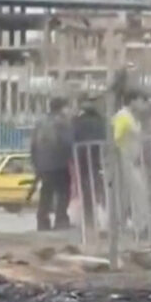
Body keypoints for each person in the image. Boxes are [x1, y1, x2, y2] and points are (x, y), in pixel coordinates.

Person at [111, 90, 151, 236]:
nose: (143, 105)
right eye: (142, 101)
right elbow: (114, 138)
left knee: (130, 195)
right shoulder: (123, 117)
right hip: (124, 160)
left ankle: (133, 226)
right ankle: (140, 227)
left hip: (130, 160)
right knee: (137, 193)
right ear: (133, 101)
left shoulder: (130, 117)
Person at [31, 97, 75, 231]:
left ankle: (42, 221)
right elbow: (67, 143)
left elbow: (33, 145)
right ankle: (61, 219)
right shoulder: (62, 123)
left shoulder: (40, 122)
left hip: (42, 164)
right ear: (62, 108)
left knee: (46, 193)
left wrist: (36, 163)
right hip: (59, 163)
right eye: (67, 107)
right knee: (63, 192)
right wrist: (71, 157)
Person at [72, 94, 107, 232]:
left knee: (87, 189)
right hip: (96, 158)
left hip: (82, 158)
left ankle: (89, 218)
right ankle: (97, 218)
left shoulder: (78, 121)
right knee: (97, 187)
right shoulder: (100, 119)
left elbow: (73, 137)